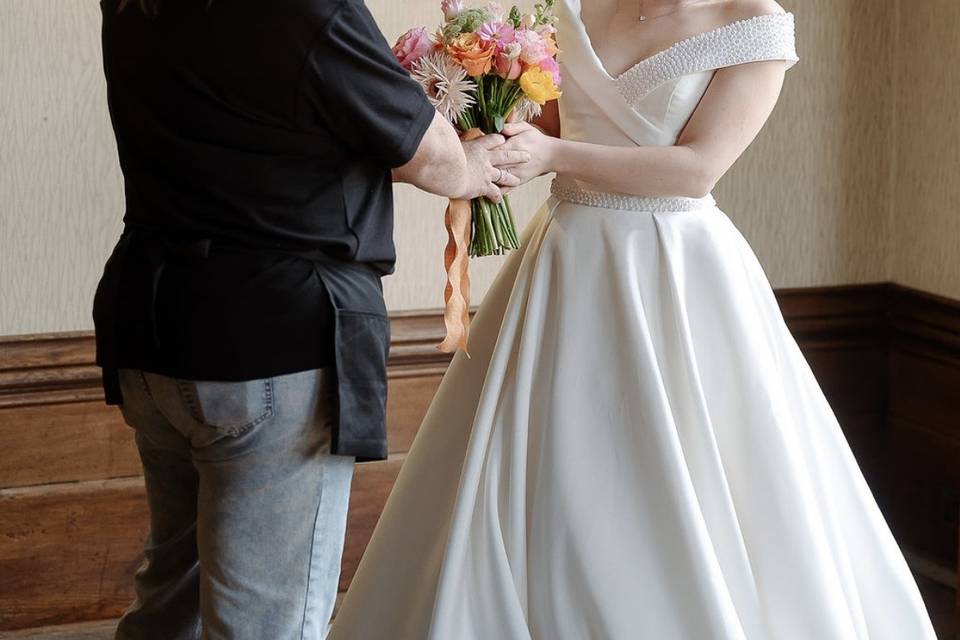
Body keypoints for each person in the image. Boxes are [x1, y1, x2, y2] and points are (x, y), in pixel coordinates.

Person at [328, 0, 939, 638]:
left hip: (675, 273)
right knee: (540, 463)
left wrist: (554, 155)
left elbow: (697, 170)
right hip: (563, 262)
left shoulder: (754, 22)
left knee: (682, 467)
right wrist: (477, 110)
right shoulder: (574, 8)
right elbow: (545, 122)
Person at [93, 0, 527, 638]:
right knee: (267, 622)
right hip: (268, 341)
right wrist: (474, 167)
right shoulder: (305, 9)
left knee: (173, 601)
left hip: (151, 325)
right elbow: (426, 151)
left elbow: (268, 133)